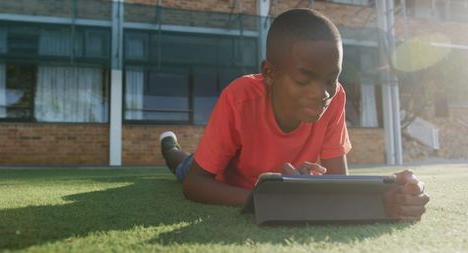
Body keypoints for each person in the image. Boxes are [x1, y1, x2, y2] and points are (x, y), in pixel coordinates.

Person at [159, 8, 429, 219]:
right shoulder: (239, 98)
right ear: (269, 73)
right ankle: (169, 147)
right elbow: (195, 185)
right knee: (184, 165)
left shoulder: (336, 98)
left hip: (274, 182)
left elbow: (339, 183)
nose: (321, 93)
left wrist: (388, 196)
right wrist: (270, 196)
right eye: (304, 80)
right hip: (226, 181)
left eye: (331, 79)